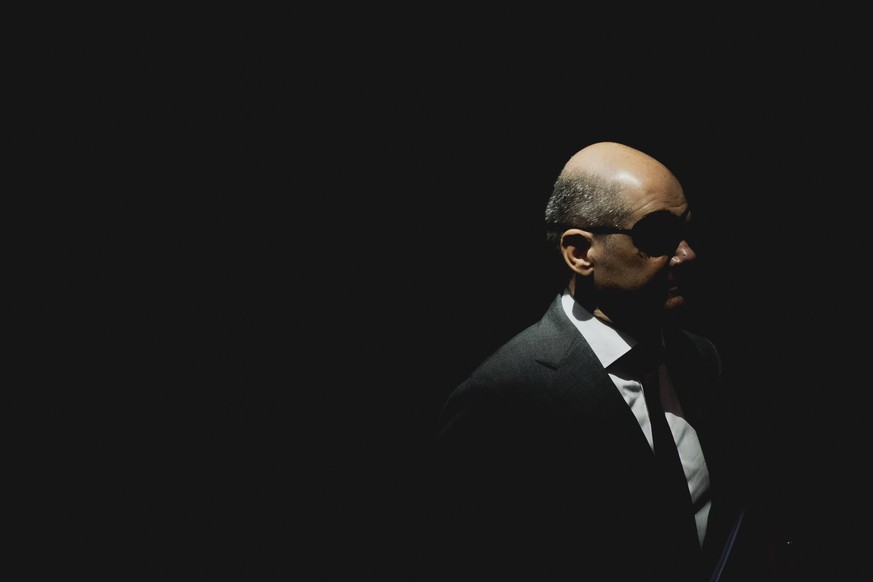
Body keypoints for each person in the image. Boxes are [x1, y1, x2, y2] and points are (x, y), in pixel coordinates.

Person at [420, 142, 770, 581]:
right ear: (580, 253)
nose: (686, 254)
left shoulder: (699, 359)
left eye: (685, 231)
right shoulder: (500, 401)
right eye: (657, 235)